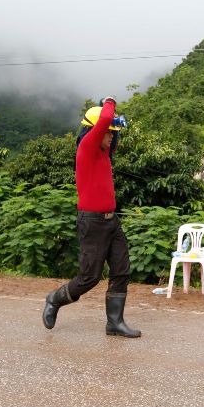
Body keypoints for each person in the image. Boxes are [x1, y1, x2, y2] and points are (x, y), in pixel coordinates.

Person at [42, 97, 141, 338]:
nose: (111, 136)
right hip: (92, 222)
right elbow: (105, 118)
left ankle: (114, 323)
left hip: (111, 221)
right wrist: (109, 102)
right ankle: (54, 299)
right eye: (108, 133)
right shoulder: (86, 147)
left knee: (122, 270)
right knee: (90, 277)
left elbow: (108, 125)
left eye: (113, 133)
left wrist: (112, 120)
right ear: (94, 131)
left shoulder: (105, 154)